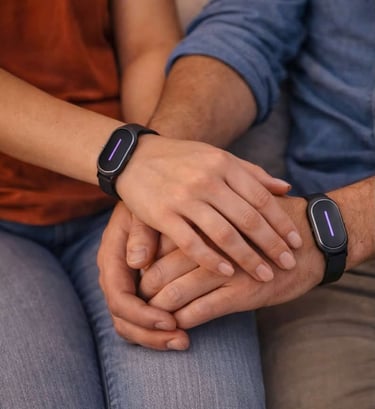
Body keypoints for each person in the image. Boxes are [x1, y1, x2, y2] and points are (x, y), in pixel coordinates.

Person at [0, 0, 289, 407]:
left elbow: (148, 46)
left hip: (113, 195)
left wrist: (151, 195)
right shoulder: (129, 162)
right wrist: (132, 162)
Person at [98, 1, 375, 408]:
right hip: (339, 276)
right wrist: (160, 164)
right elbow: (246, 29)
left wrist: (336, 228)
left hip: (323, 242)